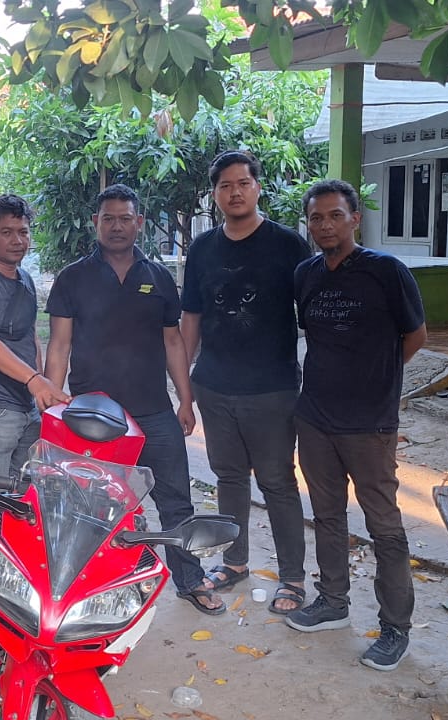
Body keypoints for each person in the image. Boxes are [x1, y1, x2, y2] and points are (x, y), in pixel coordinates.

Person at [43, 184, 225, 615]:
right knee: (86, 503)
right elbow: (59, 343)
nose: (117, 226)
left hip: (153, 411)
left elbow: (173, 342)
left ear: (139, 223)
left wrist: (185, 400)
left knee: (176, 500)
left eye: (125, 218)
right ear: (95, 223)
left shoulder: (158, 277)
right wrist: (53, 400)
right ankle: (80, 586)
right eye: (108, 218)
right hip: (92, 416)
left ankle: (190, 579)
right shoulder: (73, 277)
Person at [284, 179, 427, 672]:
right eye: (316, 218)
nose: (325, 225)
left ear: (355, 219)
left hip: (369, 423)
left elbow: (415, 335)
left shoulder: (386, 271)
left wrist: (378, 379)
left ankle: (395, 627)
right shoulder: (306, 274)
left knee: (383, 524)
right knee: (327, 515)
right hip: (315, 417)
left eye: (335, 216)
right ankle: (333, 601)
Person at [180, 150, 311, 615]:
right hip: (214, 387)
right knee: (229, 477)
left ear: (258, 187)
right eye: (225, 186)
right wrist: (185, 388)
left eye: (242, 183)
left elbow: (311, 314)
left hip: (272, 388)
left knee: (277, 482)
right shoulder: (202, 249)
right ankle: (234, 562)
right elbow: (191, 318)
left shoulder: (288, 245)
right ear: (214, 194)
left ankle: (292, 577)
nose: (234, 193)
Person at [0, 194, 71, 481]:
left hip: (27, 406)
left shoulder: (25, 280)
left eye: (23, 232)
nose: (17, 240)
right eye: (6, 232)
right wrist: (35, 380)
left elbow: (32, 339)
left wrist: (41, 389)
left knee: (25, 493)